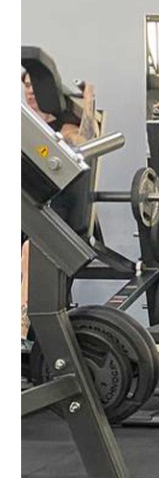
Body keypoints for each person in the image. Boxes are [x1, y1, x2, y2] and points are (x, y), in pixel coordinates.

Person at [21, 68, 100, 335]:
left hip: (56, 213)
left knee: (31, 249)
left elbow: (86, 141)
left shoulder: (63, 127)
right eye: (27, 85)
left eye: (35, 85)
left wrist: (89, 103)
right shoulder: (22, 125)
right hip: (25, 209)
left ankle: (22, 327)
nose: (30, 91)